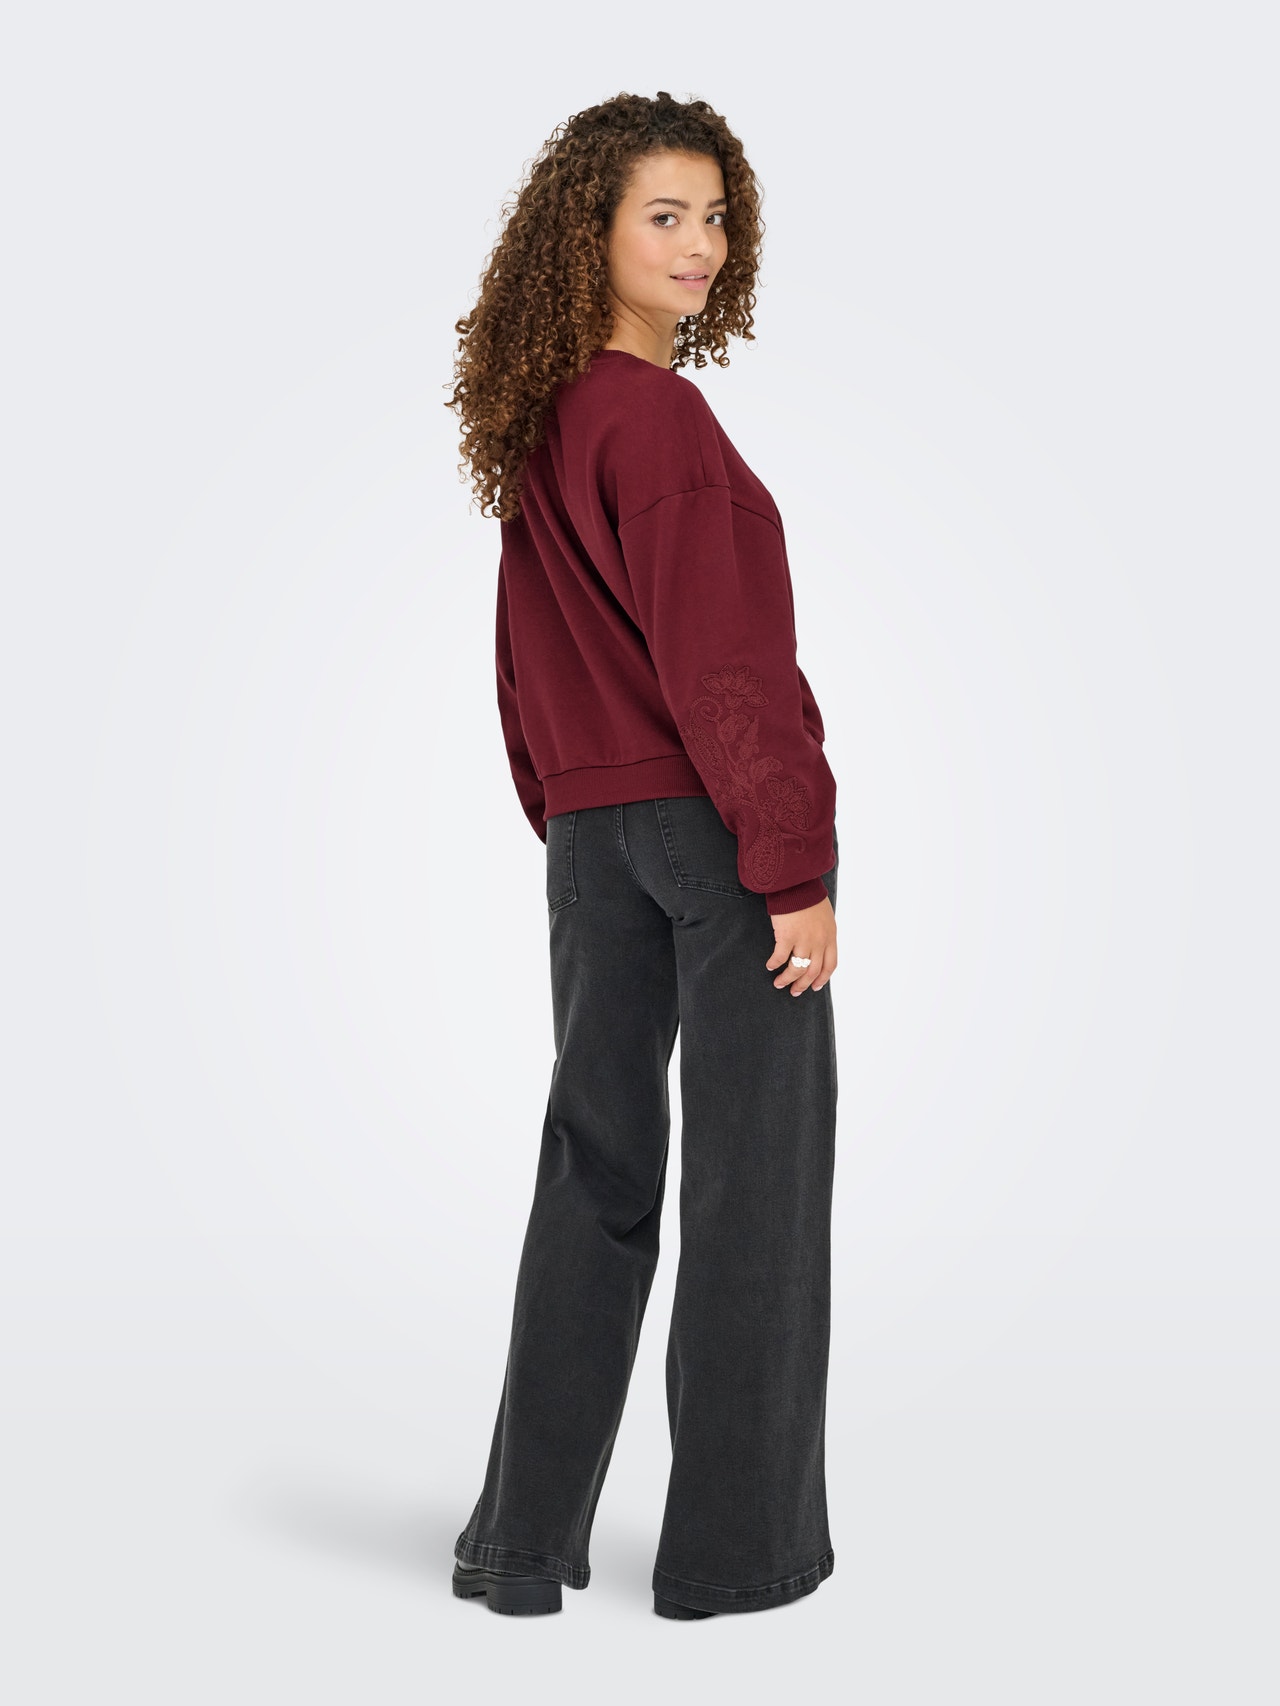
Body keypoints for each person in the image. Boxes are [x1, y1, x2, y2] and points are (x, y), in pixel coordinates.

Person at [445, 90, 840, 1621]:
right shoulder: (658, 420)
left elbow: (520, 663)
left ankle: (517, 1544)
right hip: (712, 832)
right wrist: (790, 863)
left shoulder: (546, 424)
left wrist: (570, 818)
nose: (699, 244)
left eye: (715, 216)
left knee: (595, 1173)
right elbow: (723, 664)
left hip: (592, 839)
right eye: (663, 216)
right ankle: (733, 1556)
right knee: (756, 1188)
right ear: (589, 235)